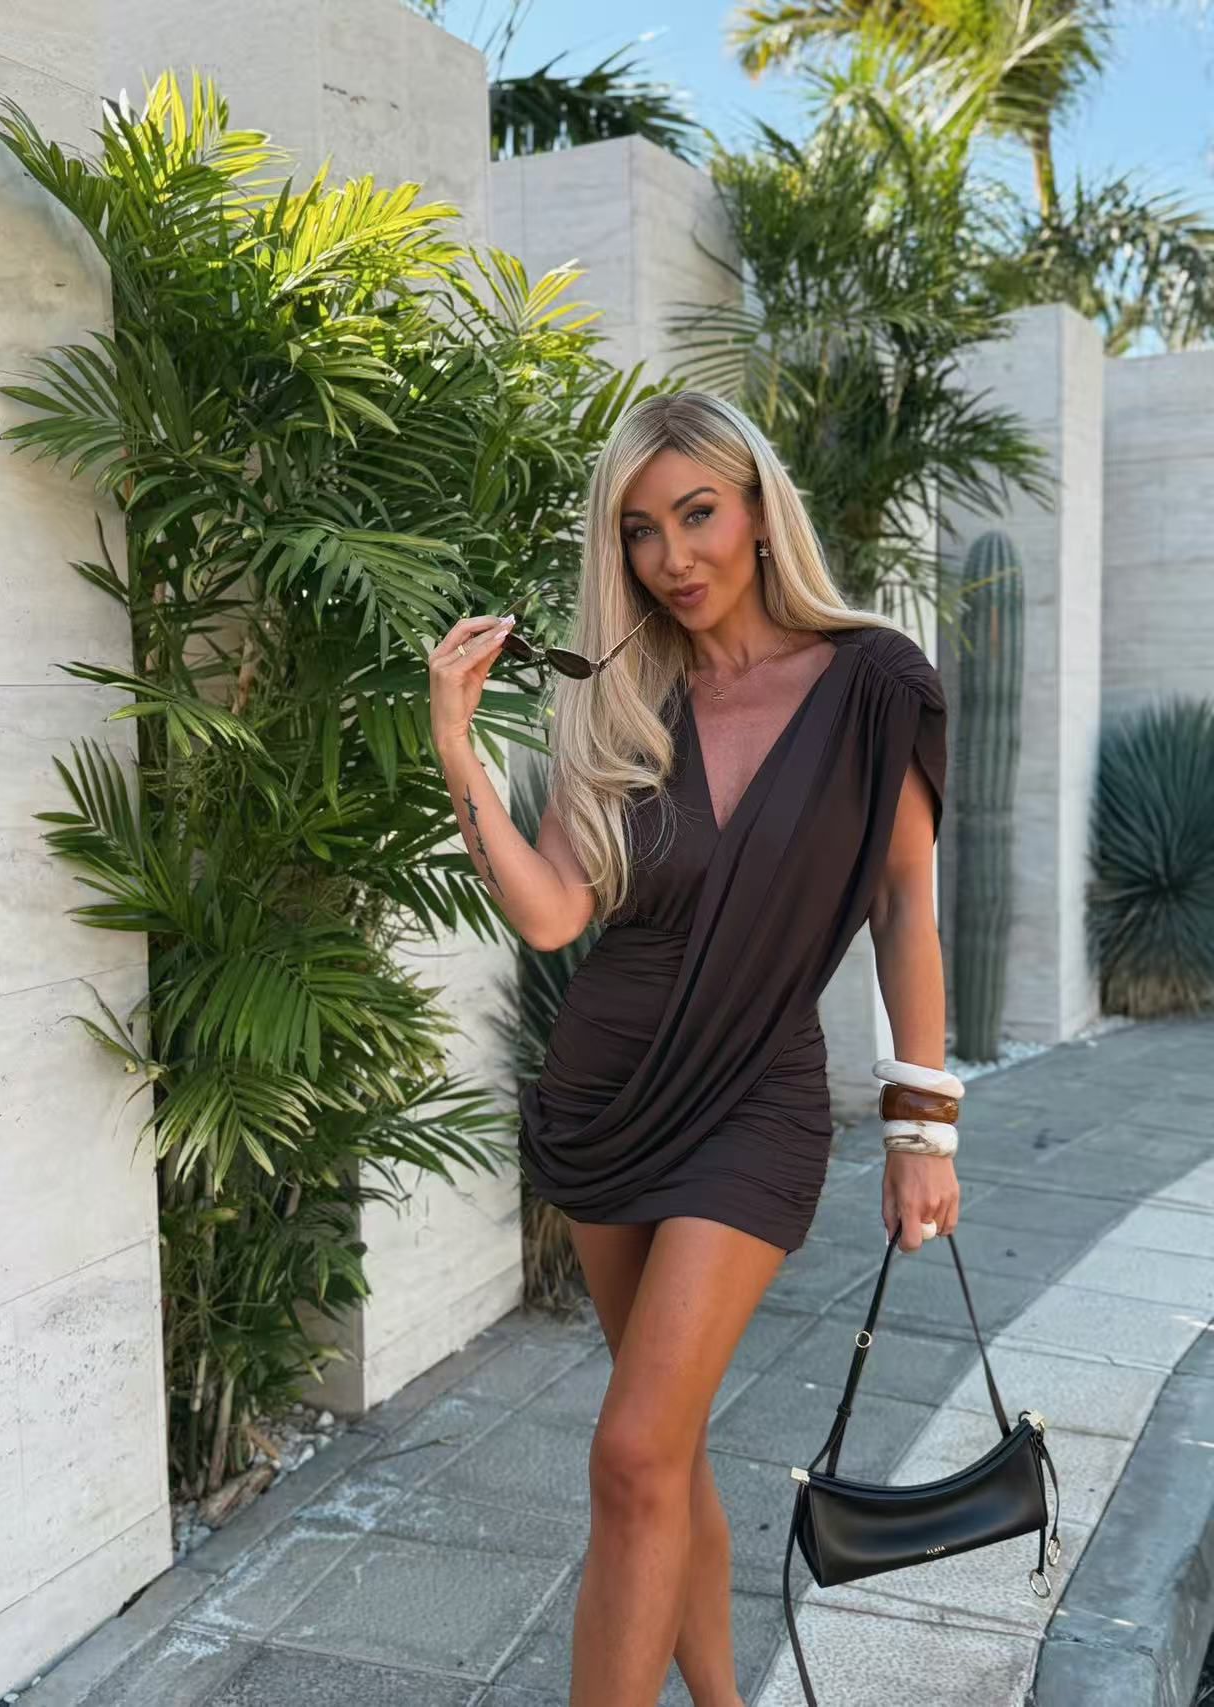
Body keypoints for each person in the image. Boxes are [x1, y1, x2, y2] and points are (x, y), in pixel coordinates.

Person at [428, 390, 960, 1707]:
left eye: (699, 513)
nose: (674, 556)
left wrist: (923, 1123)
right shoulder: (623, 701)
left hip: (756, 1100)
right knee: (660, 1454)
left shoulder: (874, 683)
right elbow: (553, 915)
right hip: (607, 1097)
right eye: (641, 530)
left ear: (760, 509)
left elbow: (906, 905)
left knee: (629, 1454)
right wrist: (458, 749)